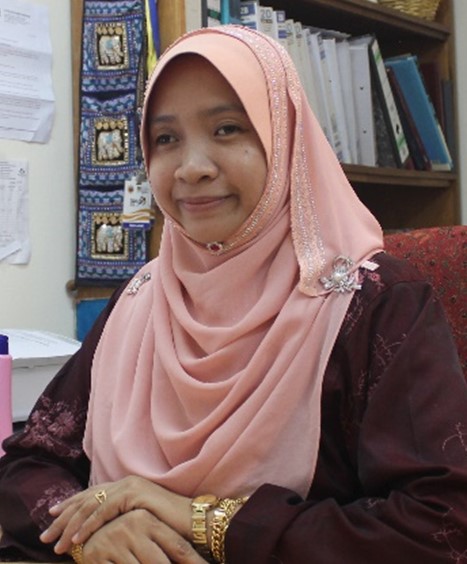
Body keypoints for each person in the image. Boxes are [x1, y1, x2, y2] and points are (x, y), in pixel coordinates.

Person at [1, 24, 466, 563]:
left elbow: (438, 525)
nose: (192, 168)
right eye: (166, 139)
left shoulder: (376, 306)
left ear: (285, 139)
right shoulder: (141, 299)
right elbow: (26, 467)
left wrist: (200, 519)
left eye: (227, 129)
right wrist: (92, 530)